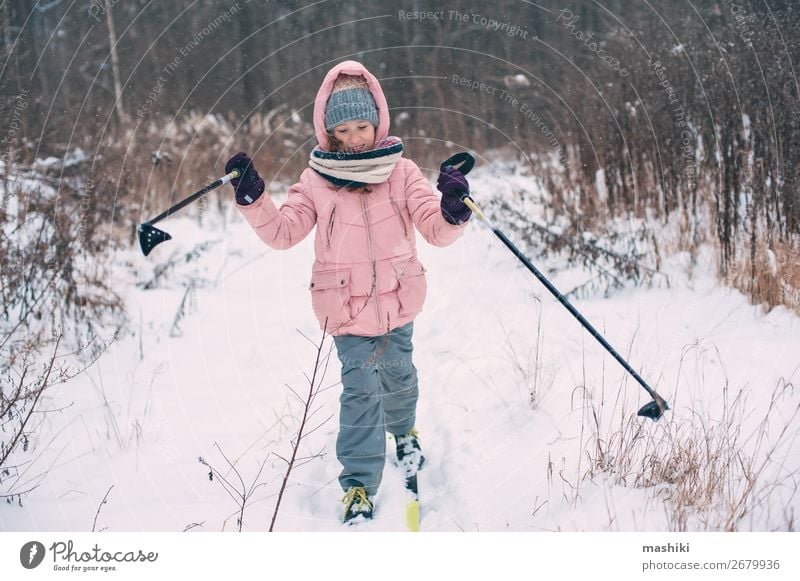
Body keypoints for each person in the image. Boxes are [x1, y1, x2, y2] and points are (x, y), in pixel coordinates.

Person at [225, 61, 472, 524]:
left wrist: (454, 209)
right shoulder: (315, 180)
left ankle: (403, 432)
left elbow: (435, 230)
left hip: (399, 301)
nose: (356, 136)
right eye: (344, 128)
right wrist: (254, 198)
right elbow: (282, 233)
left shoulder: (402, 172)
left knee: (398, 377)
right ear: (329, 129)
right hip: (345, 310)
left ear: (378, 120)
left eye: (363, 125)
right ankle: (358, 484)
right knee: (360, 393)